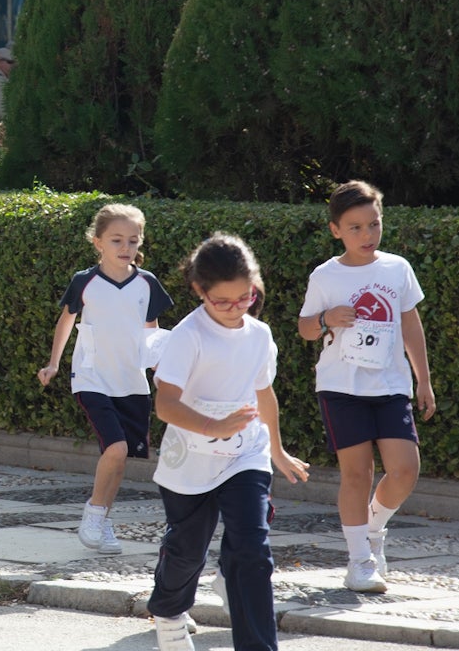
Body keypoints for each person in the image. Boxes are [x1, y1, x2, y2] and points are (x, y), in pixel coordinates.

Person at [148, 233, 309, 651]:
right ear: (200, 291)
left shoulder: (260, 335)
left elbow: (264, 394)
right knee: (186, 552)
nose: (237, 308)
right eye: (224, 301)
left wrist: (276, 449)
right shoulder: (189, 336)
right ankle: (168, 611)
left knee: (252, 551)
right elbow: (166, 404)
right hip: (191, 462)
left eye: (246, 298)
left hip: (245, 456)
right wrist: (210, 426)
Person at [298, 180, 434, 594]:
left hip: (391, 385)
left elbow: (409, 322)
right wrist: (326, 320)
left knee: (406, 469)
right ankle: (359, 561)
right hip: (341, 386)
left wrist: (423, 379)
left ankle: (373, 527)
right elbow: (305, 328)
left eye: (373, 224)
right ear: (335, 230)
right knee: (356, 474)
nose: (366, 235)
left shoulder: (397, 269)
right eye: (355, 227)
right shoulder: (325, 275)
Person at [37, 204, 173, 555]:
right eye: (116, 240)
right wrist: (54, 363)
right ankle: (94, 515)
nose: (125, 247)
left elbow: (151, 330)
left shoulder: (147, 283)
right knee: (116, 448)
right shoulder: (85, 282)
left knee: (122, 456)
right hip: (91, 378)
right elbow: (66, 321)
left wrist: (160, 368)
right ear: (98, 242)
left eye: (132, 239)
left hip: (131, 382)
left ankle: (103, 518)